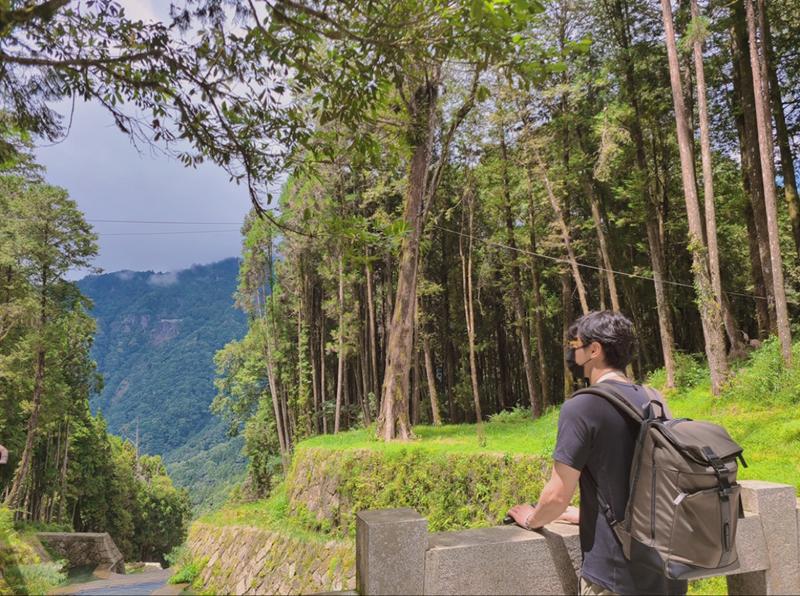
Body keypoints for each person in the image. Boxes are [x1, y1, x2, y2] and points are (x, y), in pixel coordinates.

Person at [506, 310, 687, 596]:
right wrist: (588, 513)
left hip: (616, 575)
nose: (571, 354)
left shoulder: (583, 406)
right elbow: (647, 479)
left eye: (575, 346)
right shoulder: (654, 399)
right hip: (665, 569)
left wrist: (531, 518)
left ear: (594, 350)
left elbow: (556, 495)